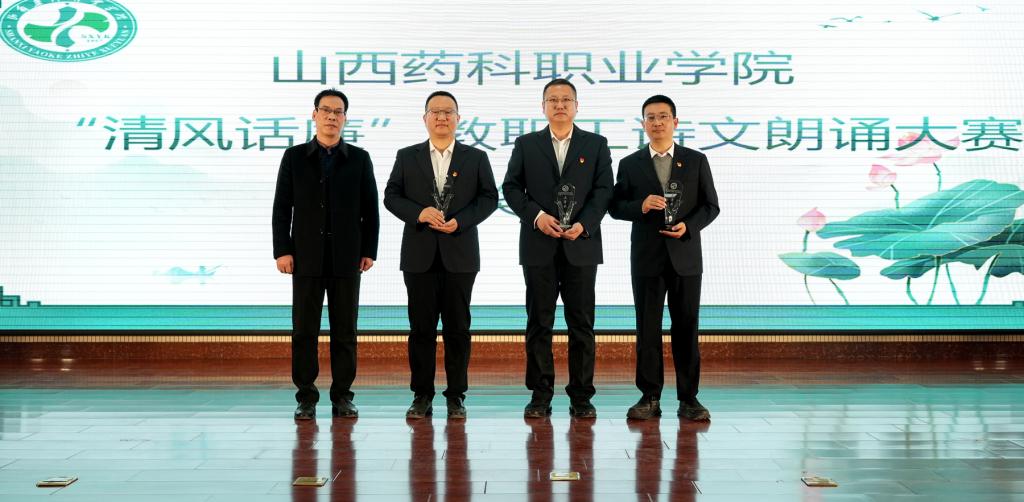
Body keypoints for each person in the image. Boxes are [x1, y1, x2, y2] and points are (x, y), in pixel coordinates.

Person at [501, 78, 613, 418]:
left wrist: (585, 224)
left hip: (581, 245)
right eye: (553, 100)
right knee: (539, 322)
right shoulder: (526, 144)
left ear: (577, 106)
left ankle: (582, 397)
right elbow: (511, 188)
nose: (560, 105)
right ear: (543, 107)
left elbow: (604, 190)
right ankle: (540, 395)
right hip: (539, 245)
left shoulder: (596, 144)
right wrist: (537, 217)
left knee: (582, 324)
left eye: (566, 99)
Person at [384, 91, 498, 419]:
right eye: (435, 112)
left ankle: (456, 396)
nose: (442, 117)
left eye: (448, 112)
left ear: (458, 119)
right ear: (425, 119)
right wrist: (419, 213)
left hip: (460, 253)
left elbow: (489, 198)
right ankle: (421, 395)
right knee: (421, 329)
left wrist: (461, 221)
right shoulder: (407, 156)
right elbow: (391, 196)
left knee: (458, 329)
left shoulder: (476, 158)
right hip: (419, 255)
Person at [609, 94, 720, 421]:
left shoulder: (695, 160)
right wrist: (640, 206)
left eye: (663, 117)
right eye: (650, 118)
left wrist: (689, 226)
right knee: (647, 329)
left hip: (686, 257)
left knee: (686, 327)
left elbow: (711, 206)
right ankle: (649, 397)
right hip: (647, 258)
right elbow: (615, 207)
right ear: (643, 124)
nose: (657, 123)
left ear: (675, 121)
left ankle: (689, 398)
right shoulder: (630, 163)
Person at [272, 88, 380, 420]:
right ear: (314, 114)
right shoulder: (294, 157)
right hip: (305, 257)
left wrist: (369, 250)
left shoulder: (359, 158)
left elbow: (370, 209)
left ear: (345, 118)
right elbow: (282, 208)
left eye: (338, 111)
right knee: (304, 330)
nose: (332, 116)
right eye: (326, 110)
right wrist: (282, 250)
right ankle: (306, 396)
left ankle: (342, 396)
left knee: (345, 331)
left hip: (347, 257)